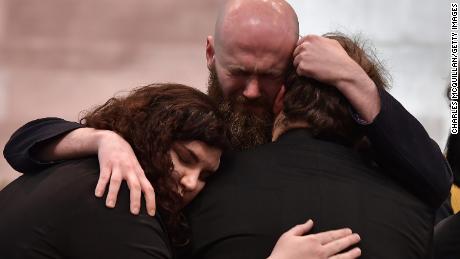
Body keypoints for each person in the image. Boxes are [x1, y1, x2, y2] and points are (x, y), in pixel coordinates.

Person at [2, 0, 451, 257]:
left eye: (268, 75)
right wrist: (103, 139)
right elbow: (23, 145)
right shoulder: (170, 135)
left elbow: (435, 179)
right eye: (239, 72)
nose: (251, 92)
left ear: (287, 87)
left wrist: (355, 80)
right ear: (211, 55)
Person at [0, 83, 362, 259]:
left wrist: (102, 141)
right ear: (150, 136)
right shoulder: (120, 196)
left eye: (205, 175)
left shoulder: (83, 171)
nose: (191, 182)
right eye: (186, 158)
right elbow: (19, 145)